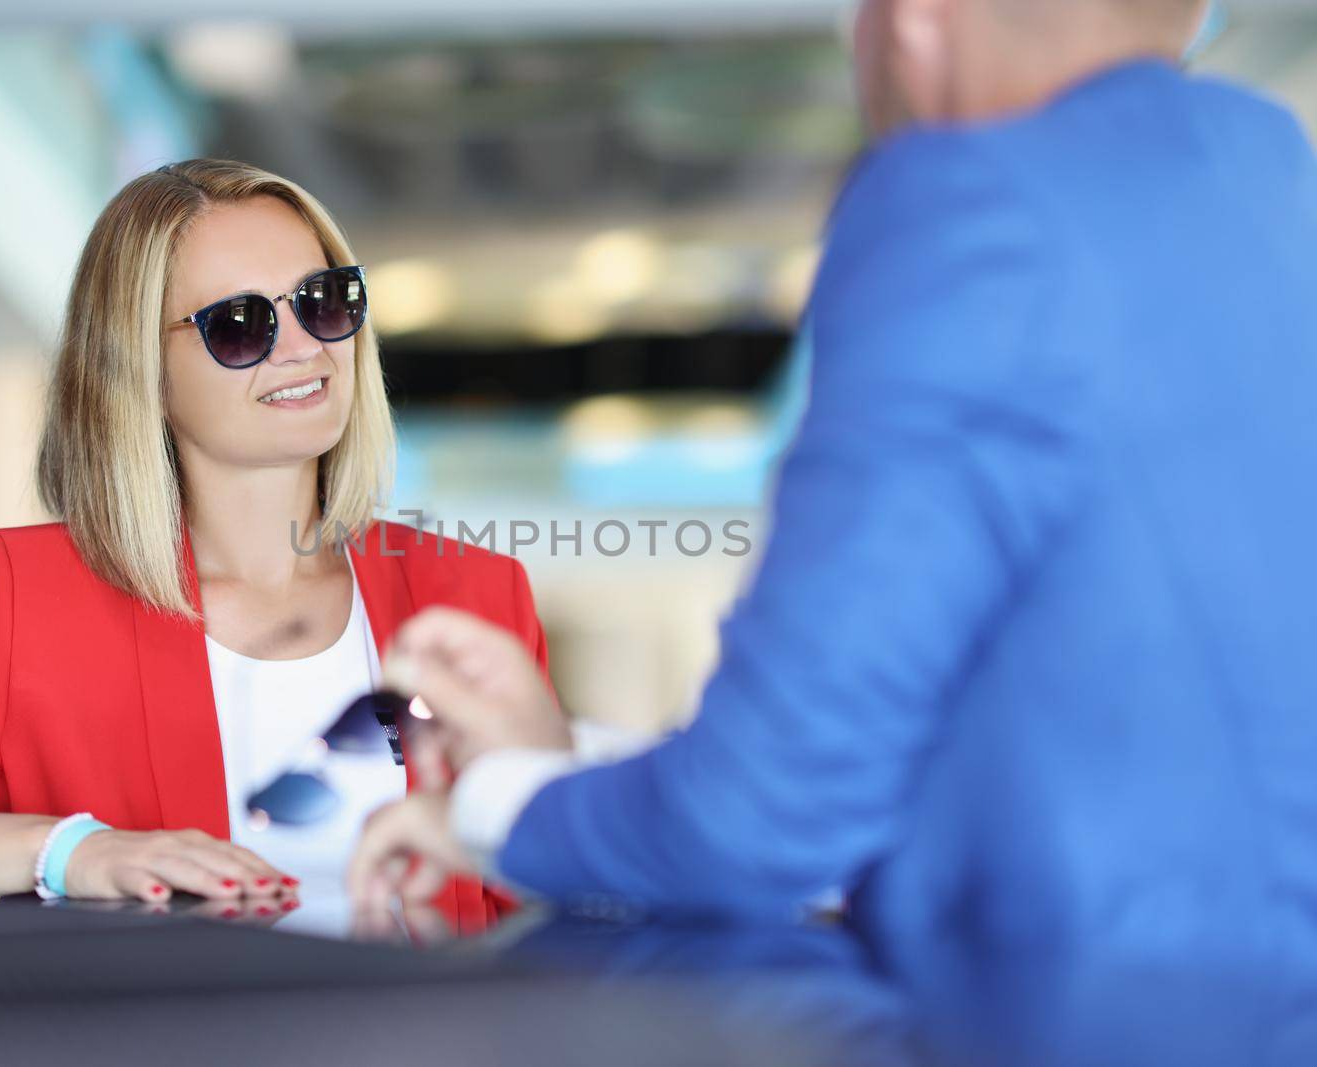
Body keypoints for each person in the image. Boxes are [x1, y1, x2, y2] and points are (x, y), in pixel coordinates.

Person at [349, 0, 1317, 977]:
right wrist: (564, 772)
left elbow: (764, 811)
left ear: (913, 19)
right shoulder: (1273, 187)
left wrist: (483, 804)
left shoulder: (970, 201)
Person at [0, 160, 546, 935]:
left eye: (323, 299)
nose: (302, 346)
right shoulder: (28, 596)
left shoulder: (473, 588)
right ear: (141, 372)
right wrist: (72, 852)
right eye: (240, 323)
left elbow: (548, 885)